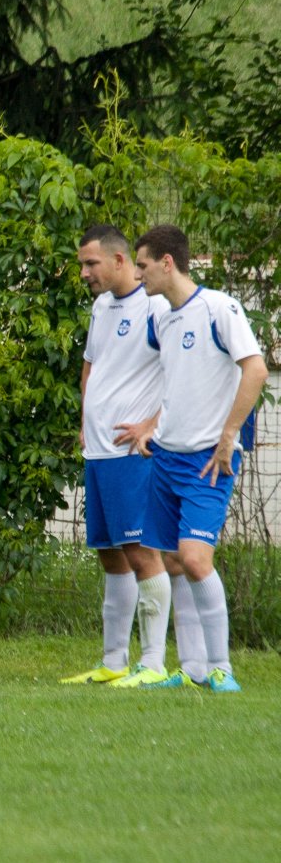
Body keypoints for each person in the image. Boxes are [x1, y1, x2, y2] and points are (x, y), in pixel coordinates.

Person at [126, 224, 266, 693]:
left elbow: (256, 369)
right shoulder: (162, 320)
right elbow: (179, 385)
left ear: (167, 263)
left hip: (208, 460)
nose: (138, 275)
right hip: (167, 458)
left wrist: (229, 435)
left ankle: (222, 667)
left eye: (143, 265)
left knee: (196, 559)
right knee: (172, 561)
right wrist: (153, 425)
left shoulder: (219, 308)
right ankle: (192, 669)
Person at [61, 225, 177, 687]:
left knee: (142, 553)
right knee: (110, 556)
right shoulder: (101, 306)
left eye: (91, 264)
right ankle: (114, 661)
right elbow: (91, 367)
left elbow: (184, 373)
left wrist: (152, 424)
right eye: (82, 265)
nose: (84, 273)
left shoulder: (156, 307)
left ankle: (153, 663)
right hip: (99, 451)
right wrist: (86, 419)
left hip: (133, 454)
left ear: (119, 260)